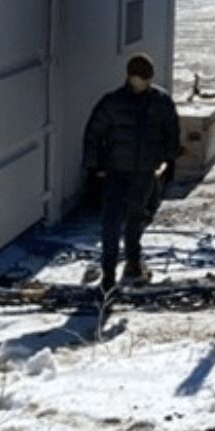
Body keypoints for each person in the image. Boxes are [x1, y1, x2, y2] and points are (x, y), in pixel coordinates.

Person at [81, 53, 181, 289]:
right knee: (111, 222)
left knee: (136, 219)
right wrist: (93, 167)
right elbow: (93, 134)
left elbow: (172, 132)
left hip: (145, 172)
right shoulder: (112, 102)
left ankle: (133, 262)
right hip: (116, 171)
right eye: (138, 78)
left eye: (145, 79)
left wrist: (169, 161)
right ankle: (108, 273)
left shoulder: (161, 102)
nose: (141, 83)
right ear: (129, 77)